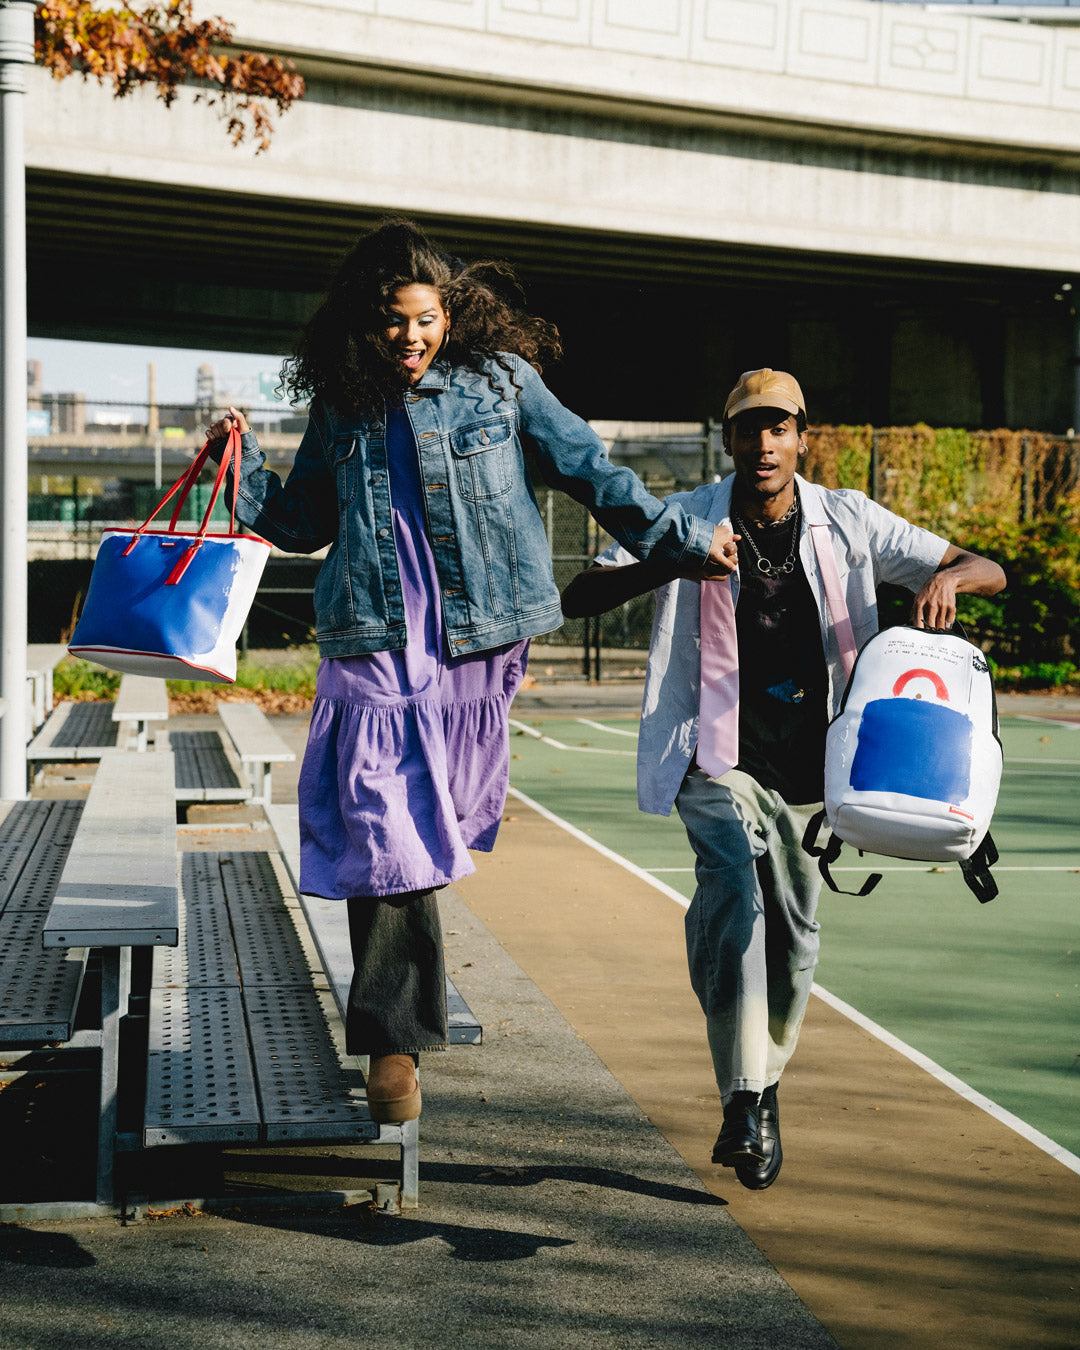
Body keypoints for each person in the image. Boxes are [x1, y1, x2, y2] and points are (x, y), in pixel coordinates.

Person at [206, 220, 735, 1125]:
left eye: (424, 319)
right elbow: (300, 522)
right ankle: (393, 1042)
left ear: (450, 313)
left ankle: (399, 1013)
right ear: (359, 325)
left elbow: (591, 471)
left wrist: (682, 541)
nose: (408, 339)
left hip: (476, 640)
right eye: (389, 323)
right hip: (370, 635)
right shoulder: (342, 401)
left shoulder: (503, 382)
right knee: (386, 832)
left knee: (424, 826)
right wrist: (238, 464)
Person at [561, 368, 1005, 1189]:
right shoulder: (683, 519)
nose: (763, 443)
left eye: (779, 427)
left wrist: (945, 578)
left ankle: (763, 1089)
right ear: (726, 439)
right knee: (736, 891)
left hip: (818, 772)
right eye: (747, 428)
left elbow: (987, 568)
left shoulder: (850, 518)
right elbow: (579, 594)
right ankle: (742, 1096)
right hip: (717, 756)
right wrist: (671, 563)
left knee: (794, 942)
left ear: (804, 437)